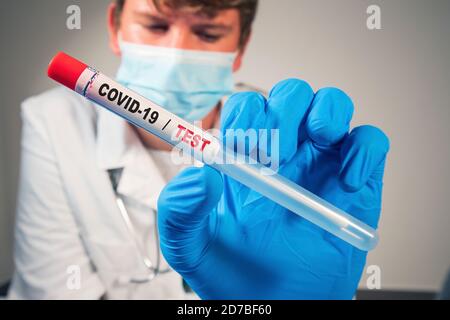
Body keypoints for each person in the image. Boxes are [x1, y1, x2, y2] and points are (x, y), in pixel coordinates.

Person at [8, 0, 389, 300]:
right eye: (156, 25)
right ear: (115, 26)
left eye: (207, 33)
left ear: (239, 48)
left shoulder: (282, 142)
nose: (176, 54)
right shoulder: (54, 122)